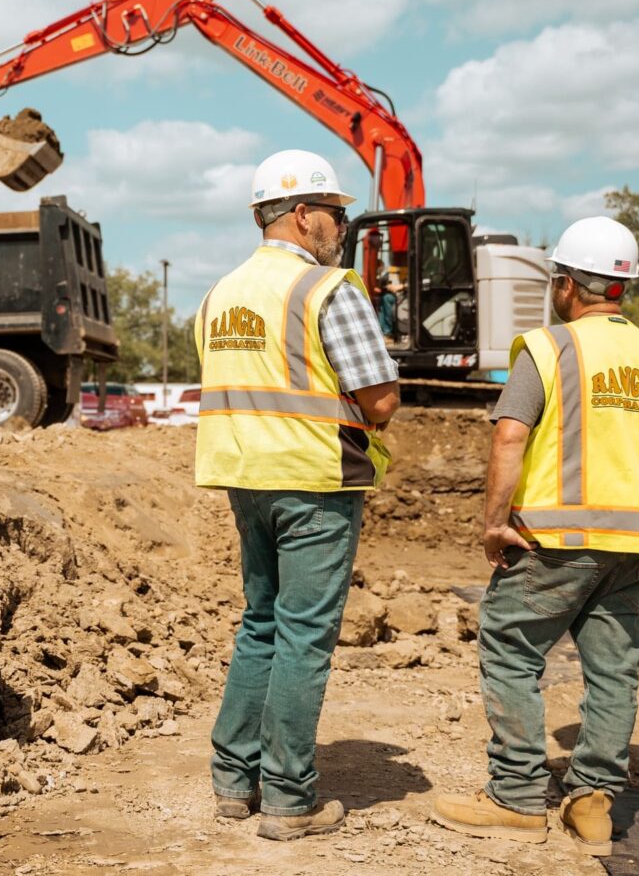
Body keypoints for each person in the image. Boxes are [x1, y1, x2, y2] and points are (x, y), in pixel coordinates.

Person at [431, 216, 639, 857]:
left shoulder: (549, 349)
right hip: (637, 543)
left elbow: (510, 435)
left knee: (511, 647)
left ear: (569, 285)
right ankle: (593, 801)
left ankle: (517, 797)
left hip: (554, 538)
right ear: (621, 288)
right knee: (613, 669)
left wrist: (495, 522)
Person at [194, 149, 400, 842]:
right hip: (313, 481)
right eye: (336, 214)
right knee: (304, 636)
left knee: (261, 622)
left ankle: (233, 780)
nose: (340, 227)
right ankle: (288, 799)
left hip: (243, 478)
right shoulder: (327, 290)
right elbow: (380, 402)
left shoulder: (218, 295)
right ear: (303, 213)